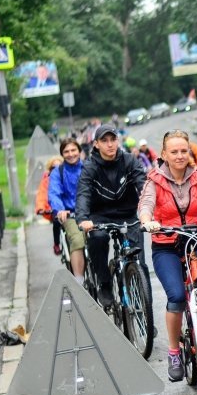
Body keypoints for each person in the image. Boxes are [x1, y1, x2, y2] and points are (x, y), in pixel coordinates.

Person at [138, 130, 197, 382]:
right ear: (164, 154)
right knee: (177, 297)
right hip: (166, 245)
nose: (180, 156)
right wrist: (148, 221)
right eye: (174, 152)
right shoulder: (154, 180)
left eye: (183, 151)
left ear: (189, 152)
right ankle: (173, 351)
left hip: (195, 242)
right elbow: (146, 205)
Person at [76, 124, 148, 308]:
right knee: (97, 239)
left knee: (139, 261)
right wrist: (83, 218)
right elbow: (83, 192)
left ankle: (145, 310)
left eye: (113, 139)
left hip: (128, 214)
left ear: (118, 140)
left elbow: (144, 186)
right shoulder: (90, 166)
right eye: (104, 141)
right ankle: (105, 282)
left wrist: (148, 211)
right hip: (100, 216)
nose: (110, 144)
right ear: (97, 144)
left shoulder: (129, 160)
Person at [47, 139, 87, 283]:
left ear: (79, 151)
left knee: (99, 238)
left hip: (90, 213)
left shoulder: (88, 168)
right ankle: (79, 282)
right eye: (66, 151)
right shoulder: (58, 172)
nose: (70, 154)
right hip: (70, 214)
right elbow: (54, 193)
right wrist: (60, 210)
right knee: (76, 240)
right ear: (62, 154)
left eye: (73, 150)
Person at [35, 155, 64, 255]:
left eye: (59, 167)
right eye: (53, 167)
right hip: (53, 209)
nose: (56, 170)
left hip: (69, 209)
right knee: (56, 221)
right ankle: (56, 244)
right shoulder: (46, 181)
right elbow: (42, 195)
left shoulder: (67, 177)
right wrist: (41, 208)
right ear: (49, 169)